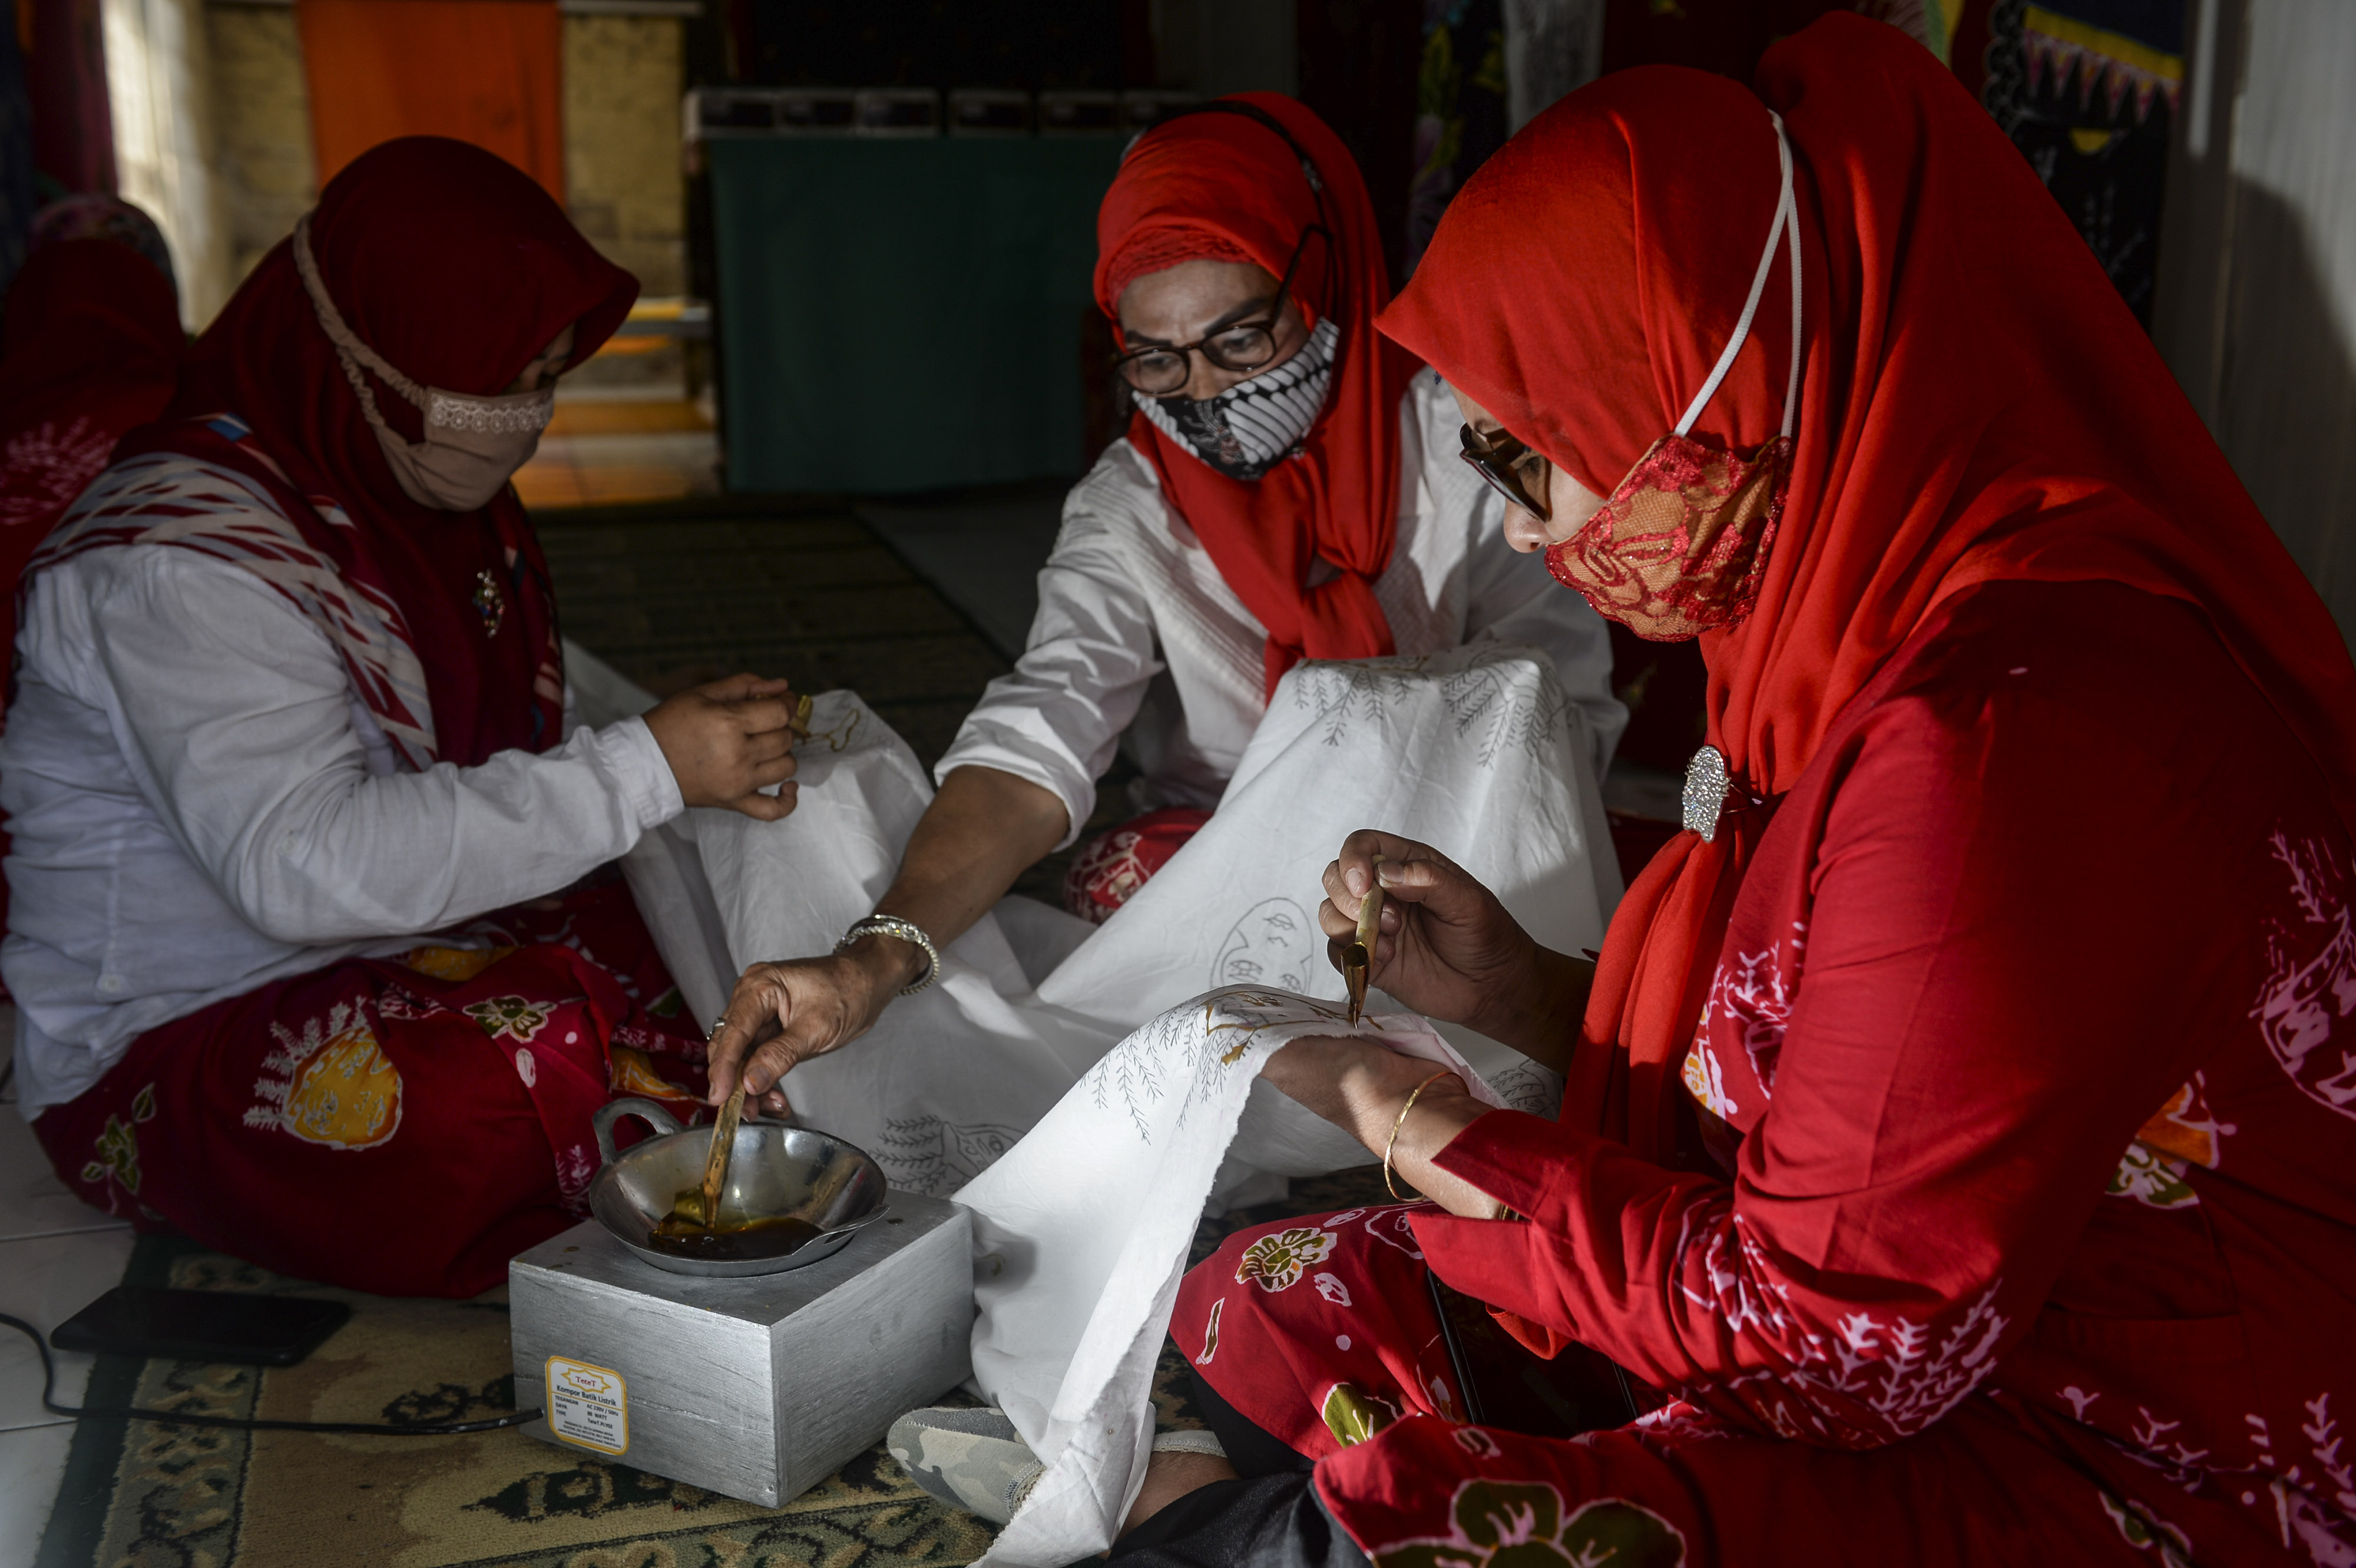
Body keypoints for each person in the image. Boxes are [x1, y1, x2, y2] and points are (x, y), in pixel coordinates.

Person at [908, 17, 2356, 1563]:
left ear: (1694, 401)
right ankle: (1199, 1496)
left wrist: (1418, 1116)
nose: (1528, 532)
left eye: (1535, 462)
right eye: (1157, 355)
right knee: (1273, 1286)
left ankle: (1212, 1512)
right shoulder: (1849, 646)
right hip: (1910, 1322)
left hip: (2115, 1435)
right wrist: (1535, 999)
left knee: (1443, 1527)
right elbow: (1857, 1082)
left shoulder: (1999, 739)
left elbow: (1839, 1351)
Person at [704, 95, 1623, 1120]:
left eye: (1242, 340)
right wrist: (877, 956)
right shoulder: (1134, 505)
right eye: (1157, 361)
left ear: (1321, 280)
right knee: (1120, 893)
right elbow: (1043, 723)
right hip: (1234, 855)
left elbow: (1548, 711)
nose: (1207, 398)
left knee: (1532, 886)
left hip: (1462, 846)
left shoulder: (1467, 439)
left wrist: (1370, 751)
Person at [4, 138, 804, 1299]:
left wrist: (682, 755)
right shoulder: (179, 566)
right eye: (495, 380)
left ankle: (676, 1111)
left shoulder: (389, 478)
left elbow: (493, 735)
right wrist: (648, 765)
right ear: (362, 353)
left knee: (725, 943)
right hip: (179, 1031)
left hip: (405, 937)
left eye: (544, 372)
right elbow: (301, 868)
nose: (526, 417)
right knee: (502, 1087)